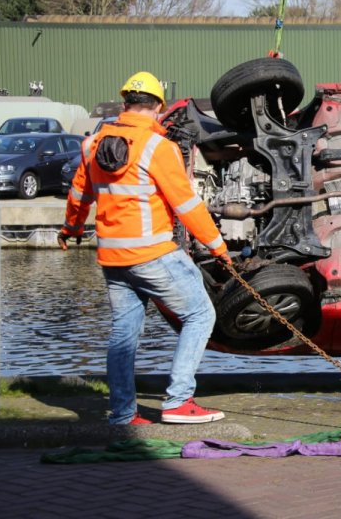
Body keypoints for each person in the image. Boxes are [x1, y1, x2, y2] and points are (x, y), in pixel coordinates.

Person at [59, 71, 231, 426]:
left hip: (112, 257)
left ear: (125, 104)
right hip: (152, 254)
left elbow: (79, 194)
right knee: (201, 315)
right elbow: (187, 206)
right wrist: (219, 248)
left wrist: (71, 228)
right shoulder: (158, 148)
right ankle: (178, 401)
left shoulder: (92, 144)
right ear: (157, 108)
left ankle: (123, 414)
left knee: (124, 333)